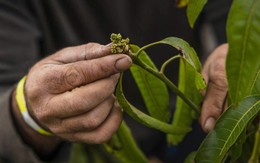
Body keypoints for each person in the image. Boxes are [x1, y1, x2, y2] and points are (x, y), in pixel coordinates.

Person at [0, 0, 232, 162]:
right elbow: (6, 100)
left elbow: (234, 28)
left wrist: (239, 58)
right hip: (76, 149)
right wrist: (28, 112)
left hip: (187, 129)